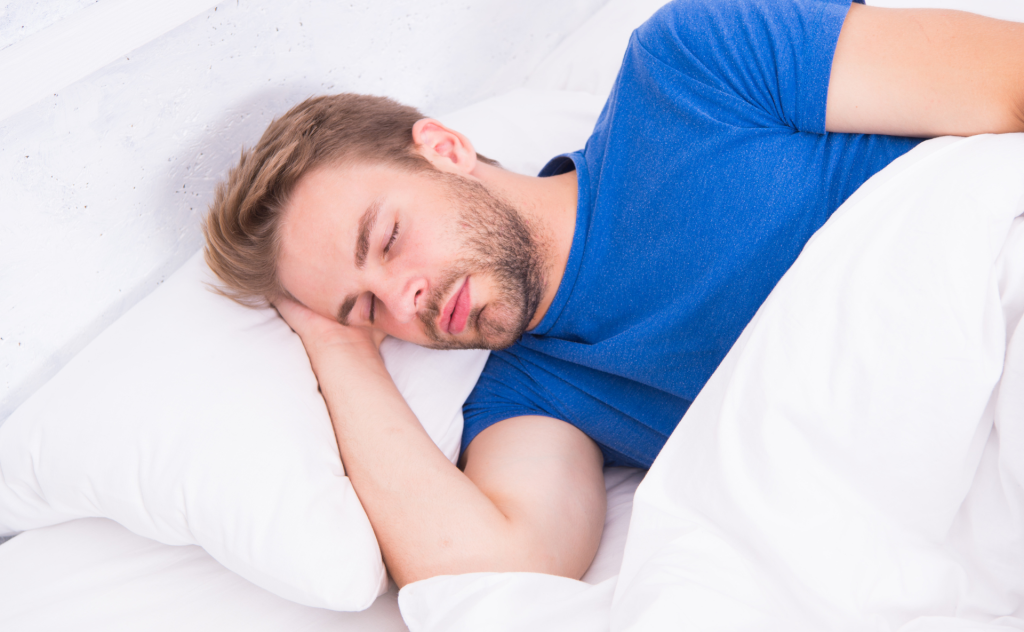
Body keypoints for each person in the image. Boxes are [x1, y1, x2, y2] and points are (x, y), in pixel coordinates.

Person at [203, 0, 1024, 588]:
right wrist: (338, 348)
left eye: (384, 241)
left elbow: (1010, 83)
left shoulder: (692, 65)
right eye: (369, 308)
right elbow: (498, 570)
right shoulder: (536, 393)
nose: (403, 297)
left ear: (445, 149)